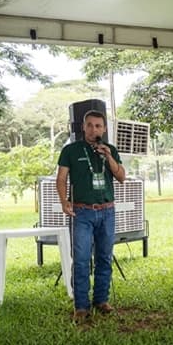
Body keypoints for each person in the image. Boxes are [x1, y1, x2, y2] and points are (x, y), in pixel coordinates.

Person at [56, 110, 126, 322]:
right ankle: (81, 306)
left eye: (98, 126)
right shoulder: (70, 150)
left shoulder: (110, 150)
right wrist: (63, 201)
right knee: (81, 260)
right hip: (82, 212)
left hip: (107, 211)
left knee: (104, 257)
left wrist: (109, 157)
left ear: (104, 129)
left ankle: (101, 300)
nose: (94, 129)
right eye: (90, 125)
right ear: (83, 127)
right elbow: (61, 179)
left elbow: (121, 176)